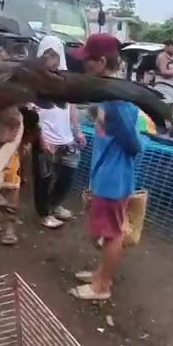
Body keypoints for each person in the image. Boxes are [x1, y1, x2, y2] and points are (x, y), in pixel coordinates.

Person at [69, 33, 139, 301]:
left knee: (112, 234)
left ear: (100, 62)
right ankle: (100, 274)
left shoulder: (117, 99)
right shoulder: (109, 94)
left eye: (87, 60)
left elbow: (133, 143)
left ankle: (102, 286)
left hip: (114, 178)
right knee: (107, 231)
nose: (84, 65)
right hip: (107, 175)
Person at [32, 36, 84, 228]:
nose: (52, 61)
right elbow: (32, 112)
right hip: (44, 136)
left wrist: (78, 130)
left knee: (68, 171)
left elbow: (72, 106)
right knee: (44, 176)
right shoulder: (35, 81)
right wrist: (41, 137)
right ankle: (44, 213)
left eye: (55, 56)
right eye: (48, 55)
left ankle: (56, 204)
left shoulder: (64, 80)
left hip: (66, 136)